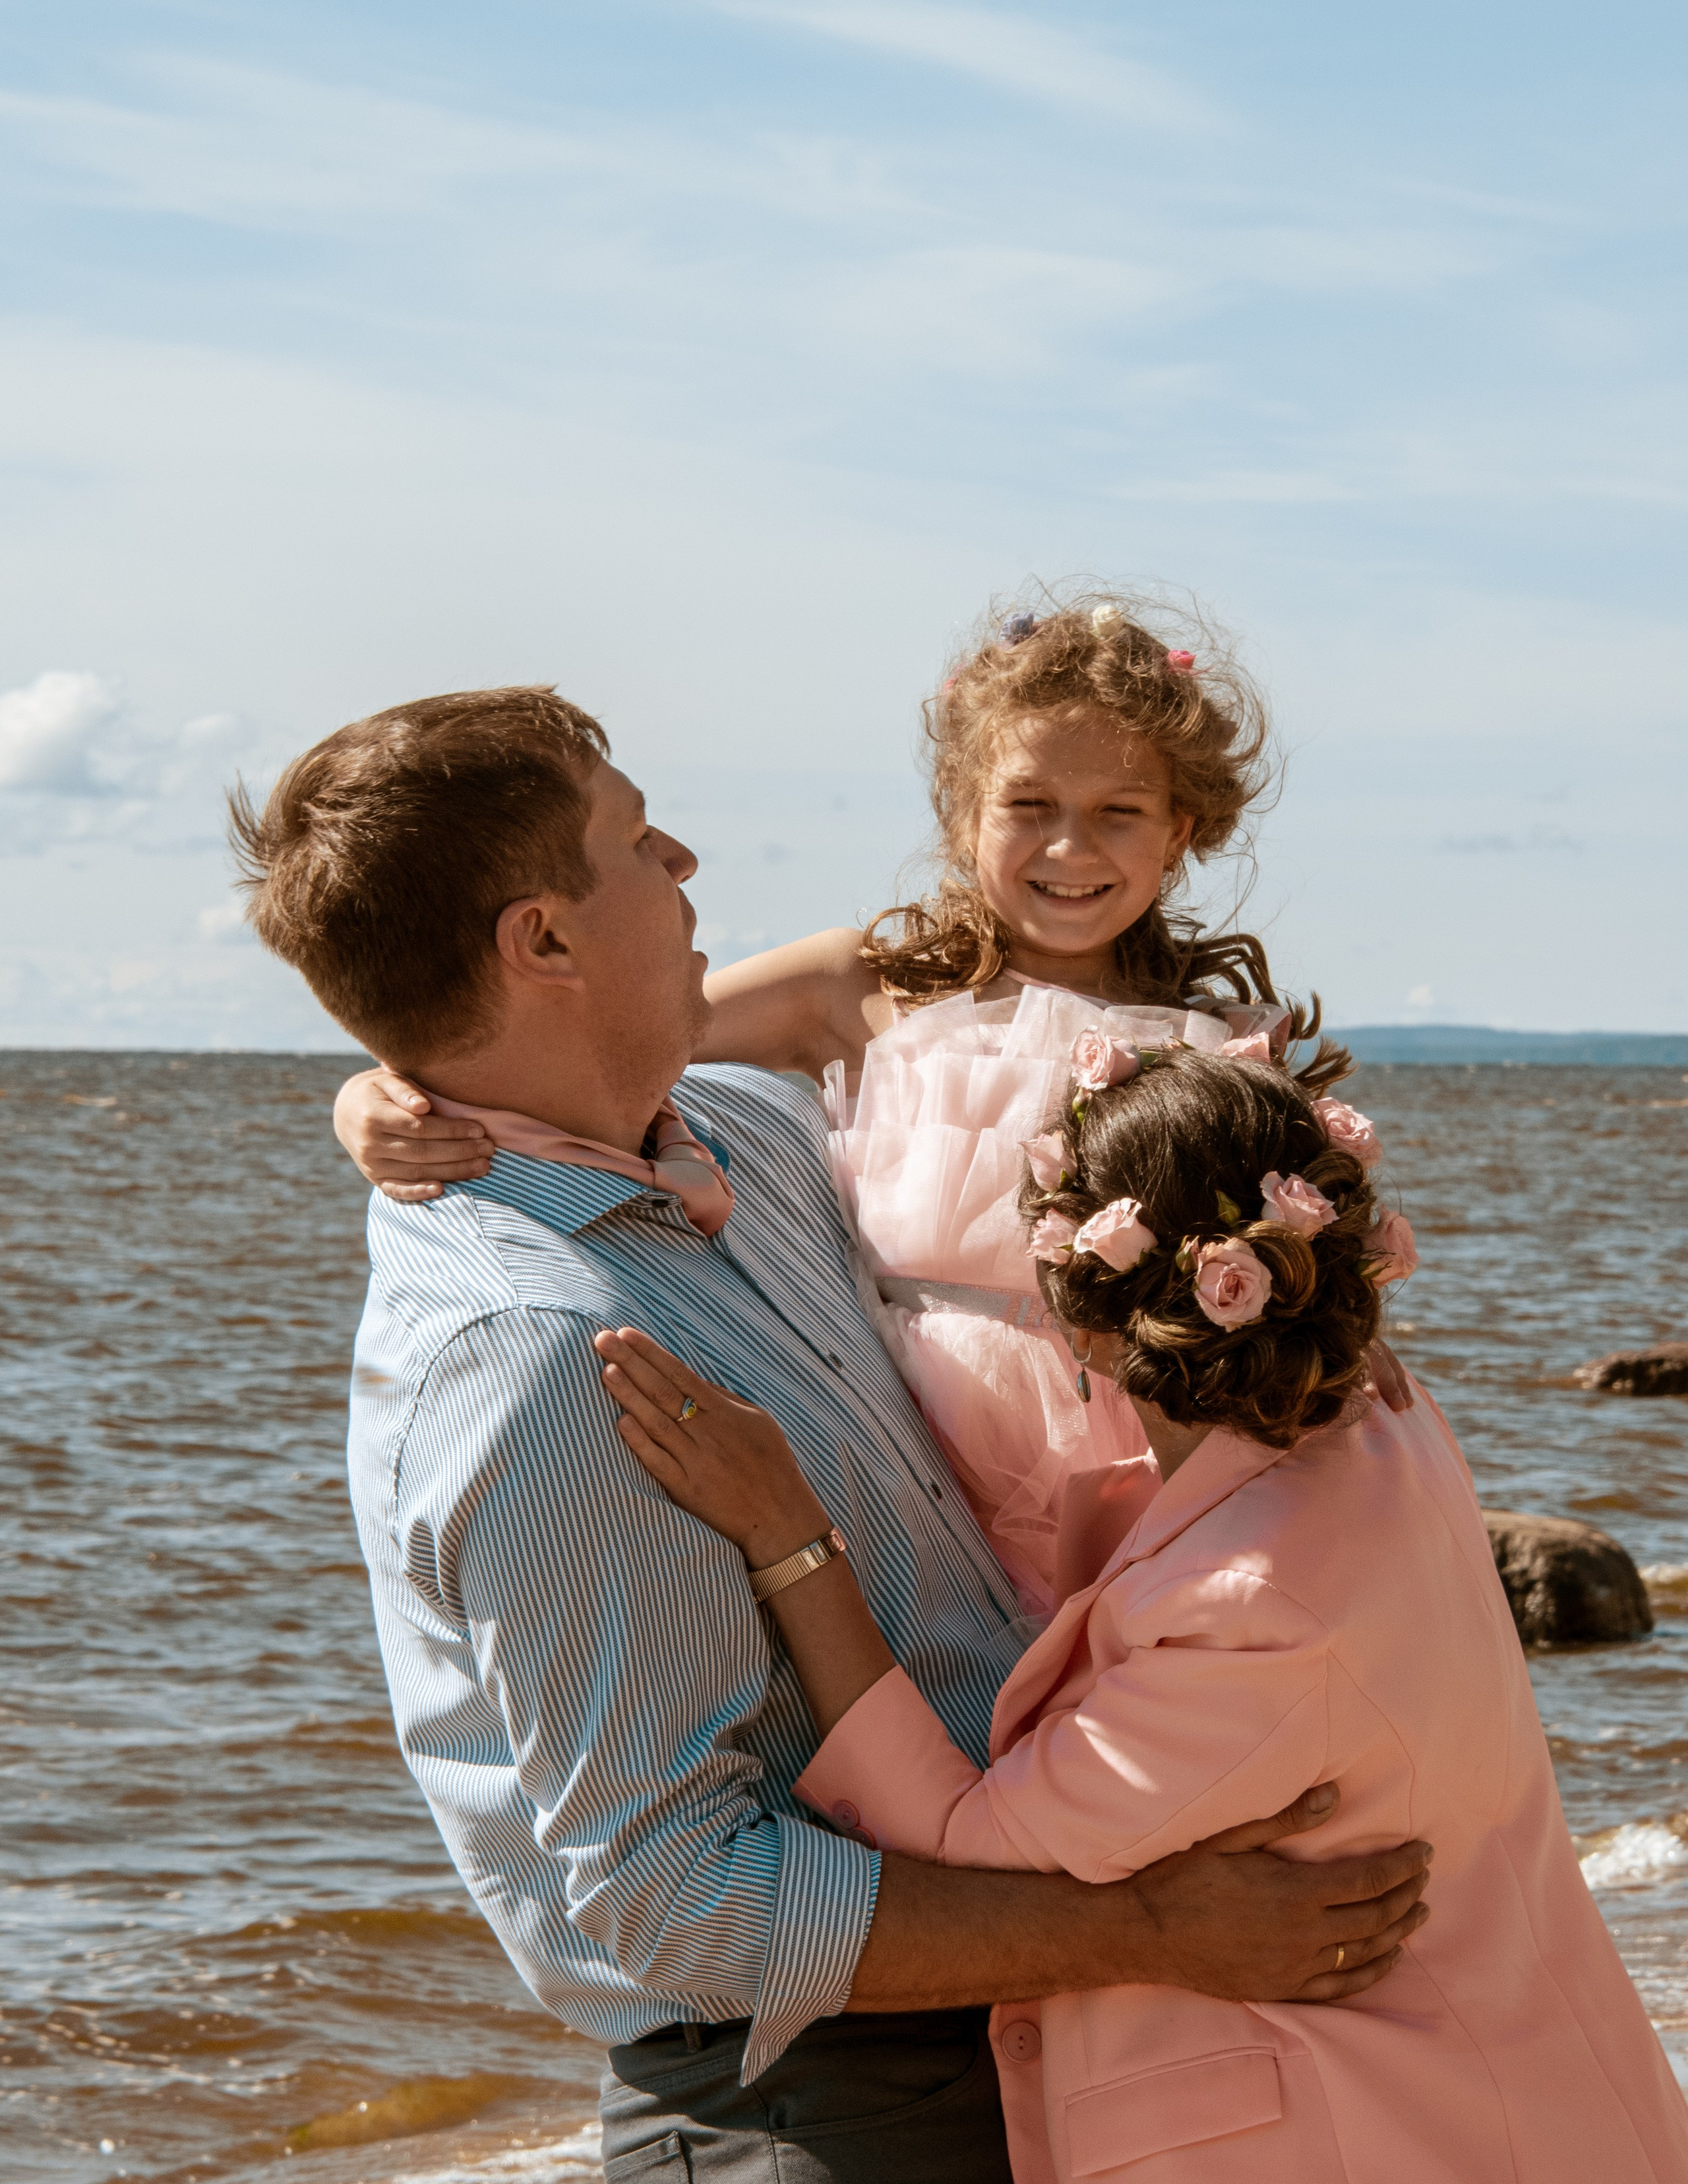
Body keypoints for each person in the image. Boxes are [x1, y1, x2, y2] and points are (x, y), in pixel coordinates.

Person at [229, 683, 1431, 2184]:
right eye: (641, 839)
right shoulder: (536, 1361)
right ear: (543, 937)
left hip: (1017, 1993)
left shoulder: (746, 1145)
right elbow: (677, 1900)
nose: (692, 860)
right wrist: (1152, 1929)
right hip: (821, 2116)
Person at [600, 1038, 1688, 2184]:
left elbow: (965, 1844)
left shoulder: (1249, 1607)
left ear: (1084, 1317)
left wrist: (793, 1539)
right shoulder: (1388, 1427)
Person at [329, 595, 1392, 1613]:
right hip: (921, 1477)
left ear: (1179, 832)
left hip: (1161, 1467)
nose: (1070, 849)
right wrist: (373, 1095)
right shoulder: (861, 991)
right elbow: (580, 1028)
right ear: (963, 810)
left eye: (1120, 813)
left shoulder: (1218, 1051)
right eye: (1029, 807)